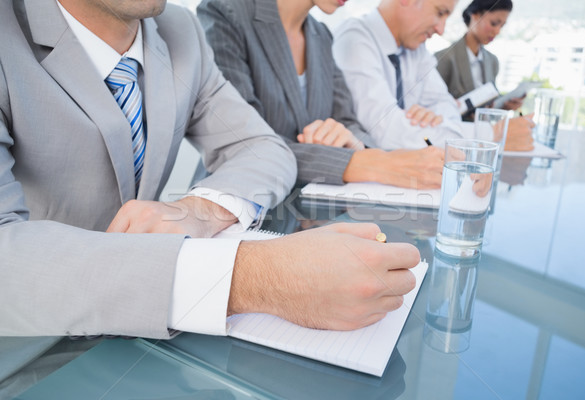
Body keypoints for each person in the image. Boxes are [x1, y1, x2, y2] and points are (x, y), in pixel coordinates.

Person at [0, 0, 421, 395]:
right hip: (29, 354)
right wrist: (251, 279)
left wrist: (199, 210)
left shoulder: (176, 29)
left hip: (147, 348)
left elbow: (263, 147)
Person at [197, 0, 445, 190]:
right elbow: (244, 144)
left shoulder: (322, 35)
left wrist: (353, 142)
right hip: (241, 202)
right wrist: (367, 163)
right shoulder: (225, 13)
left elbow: (347, 120)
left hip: (311, 208)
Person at [333, 0, 534, 152]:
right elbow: (387, 132)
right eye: (440, 13)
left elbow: (448, 107)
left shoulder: (416, 50)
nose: (441, 29)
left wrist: (432, 118)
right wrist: (491, 134)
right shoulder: (354, 40)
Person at [435, 0, 523, 111]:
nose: (497, 31)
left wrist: (504, 106)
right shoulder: (444, 58)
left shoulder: (492, 61)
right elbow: (434, 107)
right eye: (494, 23)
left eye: (502, 26)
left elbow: (489, 103)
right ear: (475, 15)